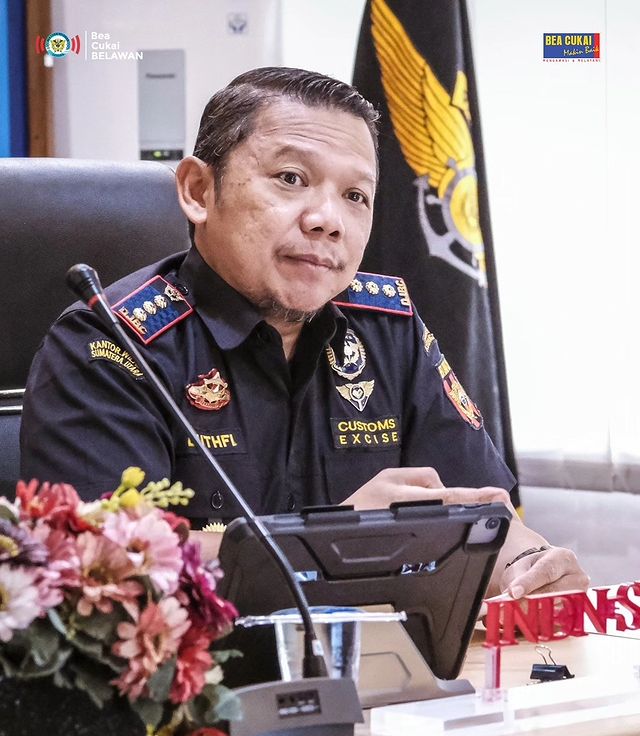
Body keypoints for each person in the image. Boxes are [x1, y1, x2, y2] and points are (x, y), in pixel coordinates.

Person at [20, 67, 587, 599]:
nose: (327, 220)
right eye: (291, 179)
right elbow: (102, 563)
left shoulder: (388, 329)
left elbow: (479, 514)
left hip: (381, 664)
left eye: (355, 196)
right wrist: (336, 539)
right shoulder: (110, 346)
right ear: (198, 191)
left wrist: (527, 564)